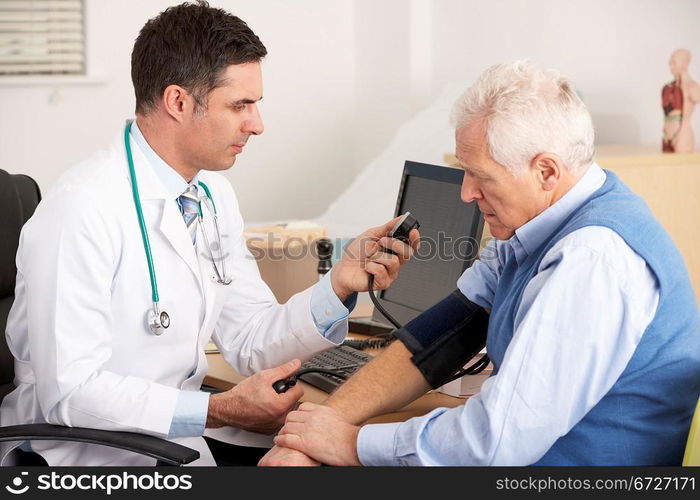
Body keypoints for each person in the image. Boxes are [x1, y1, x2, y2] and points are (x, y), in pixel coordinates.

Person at [0, 1, 418, 466]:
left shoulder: (210, 195)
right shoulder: (81, 209)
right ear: (178, 101)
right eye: (241, 105)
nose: (257, 125)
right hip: (86, 458)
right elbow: (72, 395)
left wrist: (338, 284)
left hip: (172, 444)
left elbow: (252, 340)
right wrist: (216, 409)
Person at [261, 61, 700, 466]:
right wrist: (316, 430)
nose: (466, 193)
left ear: (546, 171)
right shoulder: (530, 229)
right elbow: (436, 342)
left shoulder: (592, 259)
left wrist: (352, 445)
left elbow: (497, 442)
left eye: (482, 176)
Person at [662, 48, 700, 153]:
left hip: (682, 134)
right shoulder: (668, 87)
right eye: (670, 62)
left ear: (685, 63)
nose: (670, 65)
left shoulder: (692, 86)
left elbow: (696, 97)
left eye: (674, 62)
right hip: (666, 134)